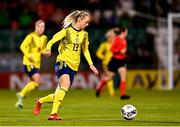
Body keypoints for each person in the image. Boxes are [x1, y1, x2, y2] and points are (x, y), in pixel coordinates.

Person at [33, 10, 98, 120]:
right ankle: (53, 114)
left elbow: (85, 50)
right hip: (63, 62)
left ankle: (40, 101)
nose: (87, 24)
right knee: (65, 85)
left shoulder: (84, 34)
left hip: (74, 66)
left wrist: (91, 64)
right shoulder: (66, 31)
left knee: (60, 92)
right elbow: (52, 40)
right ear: (79, 20)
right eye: (86, 22)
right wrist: (48, 48)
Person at [15, 20, 47, 108]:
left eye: (43, 27)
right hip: (29, 63)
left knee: (29, 90)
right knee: (37, 82)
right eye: (39, 26)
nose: (41, 28)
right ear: (35, 27)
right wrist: (28, 55)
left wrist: (46, 52)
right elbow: (22, 46)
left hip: (37, 64)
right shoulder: (31, 36)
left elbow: (41, 49)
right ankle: (20, 95)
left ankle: (20, 100)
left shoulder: (44, 38)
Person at [107, 27, 130, 99]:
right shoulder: (117, 39)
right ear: (123, 32)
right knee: (109, 78)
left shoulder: (124, 40)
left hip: (121, 61)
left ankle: (122, 95)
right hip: (115, 60)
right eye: (127, 31)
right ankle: (99, 88)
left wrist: (123, 53)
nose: (127, 33)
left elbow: (123, 50)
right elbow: (111, 49)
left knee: (123, 77)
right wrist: (120, 51)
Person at [95, 28, 117, 97]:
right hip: (106, 63)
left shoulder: (115, 44)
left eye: (113, 37)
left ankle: (99, 88)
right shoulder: (104, 44)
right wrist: (103, 57)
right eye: (110, 37)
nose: (111, 38)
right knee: (109, 77)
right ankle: (112, 93)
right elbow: (98, 53)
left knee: (109, 77)